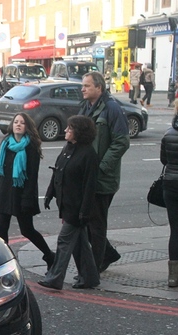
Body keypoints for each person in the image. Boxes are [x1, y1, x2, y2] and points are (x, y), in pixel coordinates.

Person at [39, 115, 100, 290]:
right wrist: (50, 193)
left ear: (79, 132)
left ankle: (54, 278)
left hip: (77, 208)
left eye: (69, 128)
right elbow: (58, 172)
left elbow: (90, 187)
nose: (65, 130)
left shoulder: (89, 155)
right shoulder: (68, 148)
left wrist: (84, 212)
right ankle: (89, 278)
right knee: (80, 245)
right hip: (65, 204)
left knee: (64, 242)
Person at [78, 71, 130, 272]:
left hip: (102, 178)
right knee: (87, 221)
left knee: (96, 224)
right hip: (87, 175)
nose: (83, 89)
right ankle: (108, 254)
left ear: (99, 87)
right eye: (83, 85)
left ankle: (96, 266)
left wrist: (101, 168)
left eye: (87, 86)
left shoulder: (112, 108)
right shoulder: (86, 107)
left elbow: (121, 142)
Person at [0, 113, 54, 269]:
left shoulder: (31, 147)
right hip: (4, 192)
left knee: (27, 230)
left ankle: (50, 255)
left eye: (22, 123)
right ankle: (4, 263)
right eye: (16, 122)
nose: (18, 125)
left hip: (21, 193)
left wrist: (26, 199)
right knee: (1, 231)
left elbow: (32, 177)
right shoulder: (6, 143)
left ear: (27, 127)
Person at [160, 105, 178, 287]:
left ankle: (173, 276)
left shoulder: (168, 133)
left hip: (170, 183)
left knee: (175, 230)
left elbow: (164, 160)